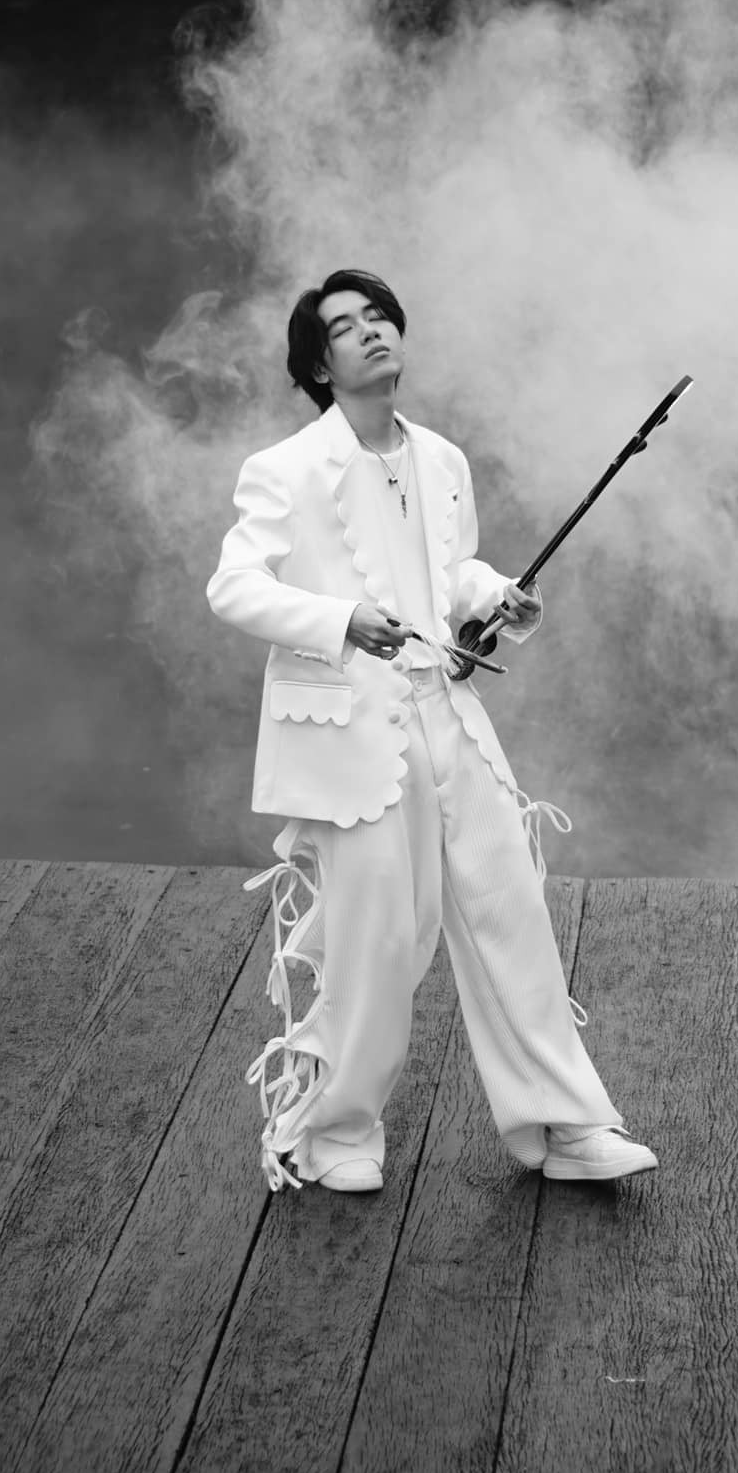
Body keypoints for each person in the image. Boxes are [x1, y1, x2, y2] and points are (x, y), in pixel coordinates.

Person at [206, 268, 658, 1194]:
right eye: (346, 326)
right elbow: (235, 588)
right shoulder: (285, 469)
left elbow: (448, 576)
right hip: (352, 733)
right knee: (380, 938)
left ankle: (565, 1123)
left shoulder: (442, 459)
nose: (372, 331)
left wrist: (497, 596)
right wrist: (340, 620)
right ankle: (334, 1134)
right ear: (319, 367)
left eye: (380, 316)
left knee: (509, 908)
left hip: (446, 712)